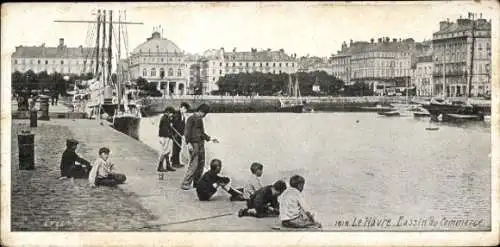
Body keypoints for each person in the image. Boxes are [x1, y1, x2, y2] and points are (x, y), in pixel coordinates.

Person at [181, 104, 218, 190]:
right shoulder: (191, 118)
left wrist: (210, 139)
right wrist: (188, 143)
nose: (204, 116)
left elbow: (202, 133)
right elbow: (187, 132)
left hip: (201, 143)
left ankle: (196, 182)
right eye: (204, 113)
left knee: (201, 164)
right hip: (194, 144)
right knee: (194, 164)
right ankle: (185, 183)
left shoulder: (199, 120)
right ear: (201, 111)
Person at [171, 102, 190, 168]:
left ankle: (177, 162)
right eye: (184, 108)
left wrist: (184, 134)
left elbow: (183, 125)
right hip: (176, 134)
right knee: (176, 148)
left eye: (186, 109)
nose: (185, 110)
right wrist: (174, 134)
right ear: (181, 108)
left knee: (178, 148)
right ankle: (174, 163)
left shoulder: (182, 115)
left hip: (180, 135)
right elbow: (175, 124)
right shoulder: (177, 114)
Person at [157, 107, 177, 172]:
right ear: (168, 112)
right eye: (171, 113)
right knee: (164, 152)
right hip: (164, 137)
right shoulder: (165, 119)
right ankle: (160, 167)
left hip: (165, 137)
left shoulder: (166, 118)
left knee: (167, 152)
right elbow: (165, 130)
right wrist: (171, 135)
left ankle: (168, 165)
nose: (172, 115)